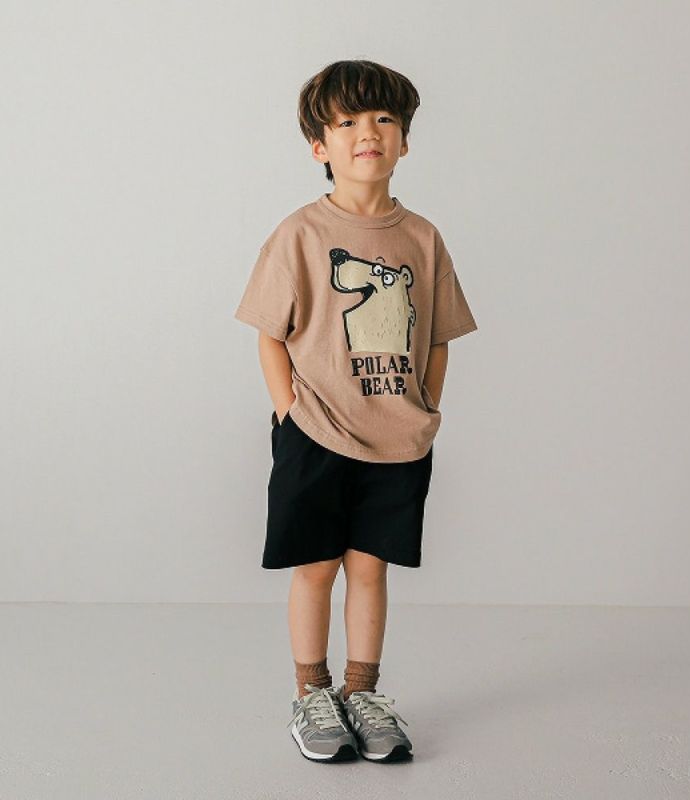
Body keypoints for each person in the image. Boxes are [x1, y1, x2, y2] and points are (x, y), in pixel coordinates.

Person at [234, 59, 478, 763]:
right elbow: (269, 333)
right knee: (316, 567)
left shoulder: (422, 238)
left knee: (370, 568)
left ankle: (363, 693)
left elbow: (438, 336)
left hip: (398, 437)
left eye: (383, 119)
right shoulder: (301, 233)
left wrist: (425, 407)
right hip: (315, 431)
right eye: (346, 122)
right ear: (320, 146)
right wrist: (288, 411)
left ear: (404, 140)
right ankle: (313, 695)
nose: (367, 132)